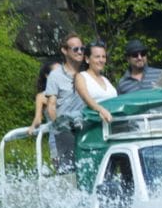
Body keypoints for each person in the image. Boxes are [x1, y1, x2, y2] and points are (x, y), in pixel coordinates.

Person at [45, 33, 86, 174]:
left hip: (84, 131)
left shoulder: (86, 73)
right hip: (64, 134)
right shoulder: (55, 76)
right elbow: (51, 105)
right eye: (75, 49)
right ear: (64, 50)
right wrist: (59, 126)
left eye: (82, 48)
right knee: (68, 176)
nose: (80, 52)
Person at [74, 41, 118, 124]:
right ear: (87, 59)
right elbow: (86, 98)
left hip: (113, 124)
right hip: (93, 125)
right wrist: (101, 110)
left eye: (103, 57)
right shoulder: (81, 77)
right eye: (97, 57)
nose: (101, 60)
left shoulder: (106, 80)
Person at [27, 61, 59, 135]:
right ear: (47, 76)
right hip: (56, 136)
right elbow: (38, 120)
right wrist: (32, 127)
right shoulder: (42, 96)